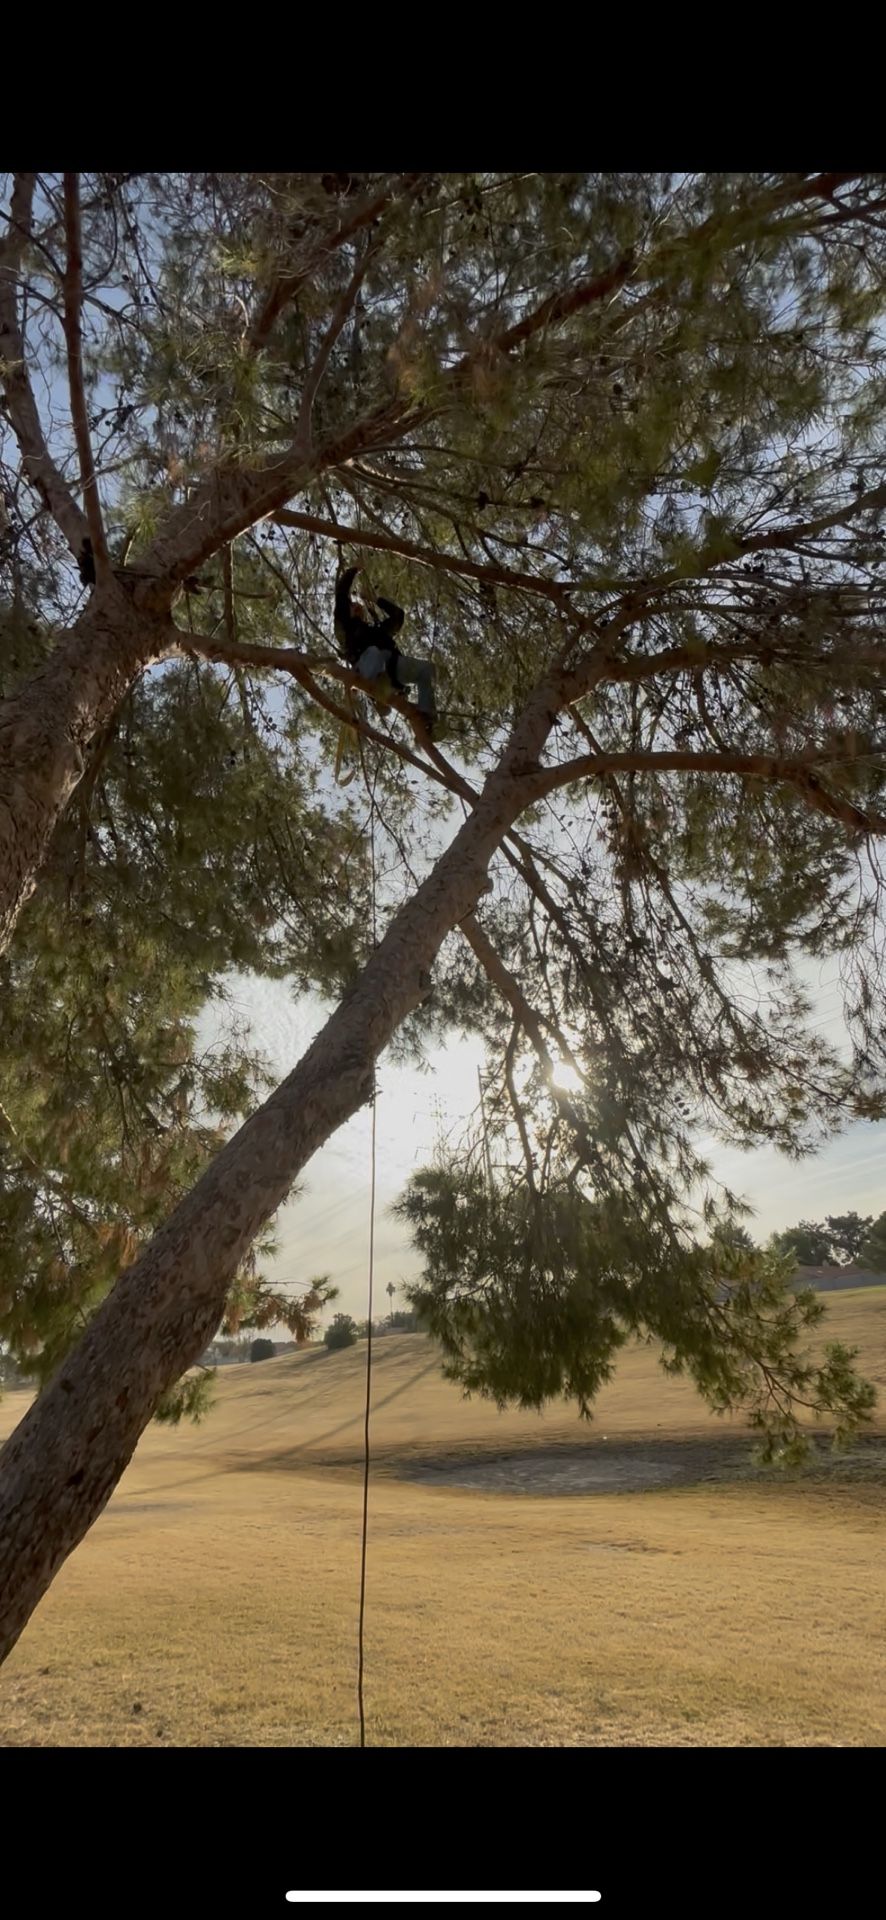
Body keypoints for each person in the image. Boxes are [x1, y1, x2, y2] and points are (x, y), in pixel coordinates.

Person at [334, 565, 437, 735]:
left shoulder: (378, 630)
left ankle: (426, 716)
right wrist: (353, 570)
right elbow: (341, 594)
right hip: (367, 665)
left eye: (358, 605)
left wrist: (375, 599)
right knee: (374, 653)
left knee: (425, 669)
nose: (356, 606)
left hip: (393, 666)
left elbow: (398, 616)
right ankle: (381, 692)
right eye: (352, 606)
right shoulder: (345, 629)